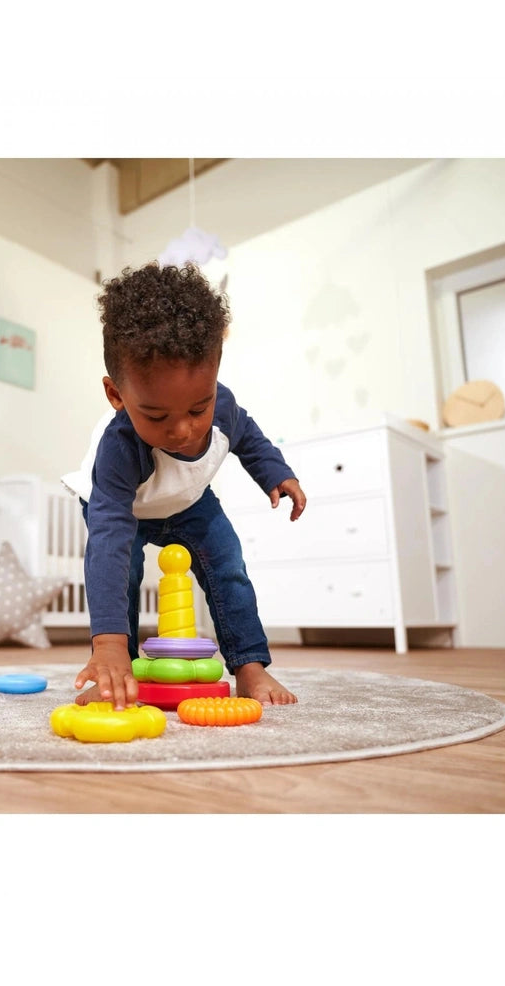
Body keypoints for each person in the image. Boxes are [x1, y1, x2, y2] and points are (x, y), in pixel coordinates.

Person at [61, 262, 307, 710]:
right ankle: (118, 670)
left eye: (198, 409)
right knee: (124, 572)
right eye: (157, 416)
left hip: (189, 503)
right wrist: (108, 644)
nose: (182, 430)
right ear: (116, 396)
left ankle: (250, 666)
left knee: (228, 565)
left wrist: (275, 472)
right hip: (124, 510)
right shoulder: (119, 450)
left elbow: (246, 433)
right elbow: (109, 543)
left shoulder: (224, 406)